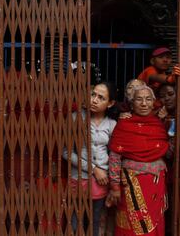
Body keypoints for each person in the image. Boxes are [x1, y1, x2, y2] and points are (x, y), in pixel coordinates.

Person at [106, 85, 169, 235]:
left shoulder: (158, 124)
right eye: (139, 99)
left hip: (156, 185)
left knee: (155, 223)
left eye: (148, 99)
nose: (144, 104)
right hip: (132, 185)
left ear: (153, 102)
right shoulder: (124, 125)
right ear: (132, 103)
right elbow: (115, 157)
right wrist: (114, 187)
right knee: (133, 226)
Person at [63, 82, 118, 236]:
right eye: (93, 94)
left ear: (110, 103)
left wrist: (108, 176)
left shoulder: (112, 124)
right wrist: (94, 169)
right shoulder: (76, 118)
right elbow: (66, 152)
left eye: (101, 98)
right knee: (74, 223)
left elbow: (114, 155)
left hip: (101, 182)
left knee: (94, 224)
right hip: (78, 178)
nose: (94, 100)